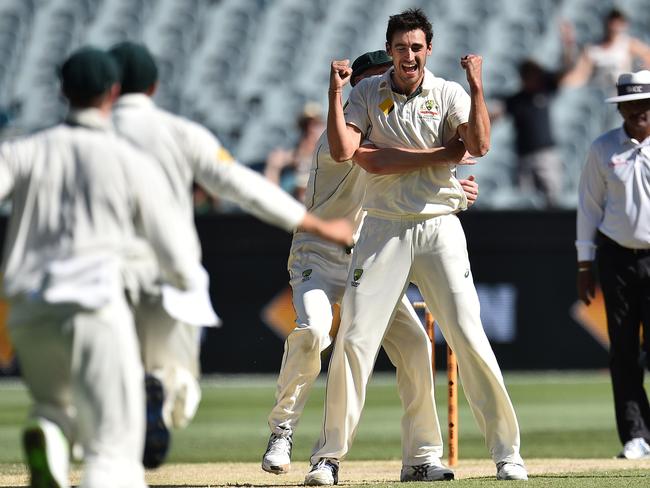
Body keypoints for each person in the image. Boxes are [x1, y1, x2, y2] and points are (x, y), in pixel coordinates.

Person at [304, 9, 528, 485]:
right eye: (402, 47)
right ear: (390, 51)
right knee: (355, 341)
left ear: (429, 50)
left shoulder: (448, 92)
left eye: (418, 47)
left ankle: (507, 454)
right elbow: (348, 152)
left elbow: (480, 145)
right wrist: (335, 92)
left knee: (469, 338)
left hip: (439, 227)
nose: (410, 55)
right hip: (383, 229)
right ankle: (327, 457)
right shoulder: (367, 92)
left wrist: (478, 86)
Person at [107, 41, 354, 469]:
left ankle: (74, 432)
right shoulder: (180, 133)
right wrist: (317, 225)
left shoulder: (71, 139)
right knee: (177, 386)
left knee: (99, 376)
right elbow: (242, 185)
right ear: (154, 85)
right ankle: (164, 405)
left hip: (100, 275)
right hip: (170, 276)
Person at [262, 49, 479, 482]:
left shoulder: (391, 130)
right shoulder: (336, 139)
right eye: (377, 83)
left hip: (367, 260)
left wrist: (454, 192)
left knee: (416, 347)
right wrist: (445, 160)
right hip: (317, 257)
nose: (387, 94)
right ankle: (282, 430)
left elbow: (414, 182)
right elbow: (384, 161)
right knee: (313, 332)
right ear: (355, 92)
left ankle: (420, 458)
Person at [0, 47, 200, 488]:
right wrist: (183, 281)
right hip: (95, 308)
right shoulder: (130, 161)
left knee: (54, 404)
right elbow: (178, 255)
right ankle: (66, 445)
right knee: (113, 452)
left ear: (62, 91)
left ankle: (50, 434)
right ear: (112, 93)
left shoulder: (23, 151)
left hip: (29, 313)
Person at [576, 69, 650, 460]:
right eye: (629, 104)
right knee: (622, 349)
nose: (637, 110)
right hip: (618, 257)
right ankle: (635, 434)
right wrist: (584, 264)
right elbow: (588, 208)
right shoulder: (604, 148)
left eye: (643, 103)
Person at [490, 58, 573, 208]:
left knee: (552, 197)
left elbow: (565, 70)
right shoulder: (516, 99)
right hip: (524, 157)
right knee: (525, 201)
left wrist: (567, 46)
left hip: (546, 155)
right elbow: (495, 115)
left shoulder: (545, 91)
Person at [563, 8, 650, 130]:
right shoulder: (593, 48)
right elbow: (580, 73)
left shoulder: (627, 44)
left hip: (620, 95)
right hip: (598, 97)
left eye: (617, 22)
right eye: (612, 22)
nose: (614, 27)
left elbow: (647, 56)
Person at [264, 102, 325, 202]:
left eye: (315, 124)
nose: (310, 129)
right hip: (296, 203)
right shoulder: (293, 155)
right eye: (305, 125)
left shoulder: (328, 154)